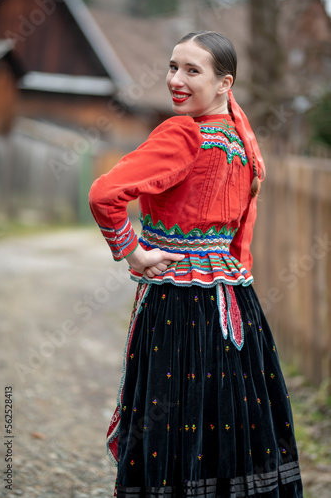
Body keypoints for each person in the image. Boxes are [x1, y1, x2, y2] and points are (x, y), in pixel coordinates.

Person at [89, 31, 303, 498]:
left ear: (224, 82)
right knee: (226, 416)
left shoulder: (183, 133)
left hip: (179, 303)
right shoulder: (240, 138)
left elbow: (104, 194)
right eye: (172, 67)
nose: (175, 80)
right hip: (235, 302)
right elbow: (238, 236)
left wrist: (134, 253)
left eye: (192, 70)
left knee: (179, 414)